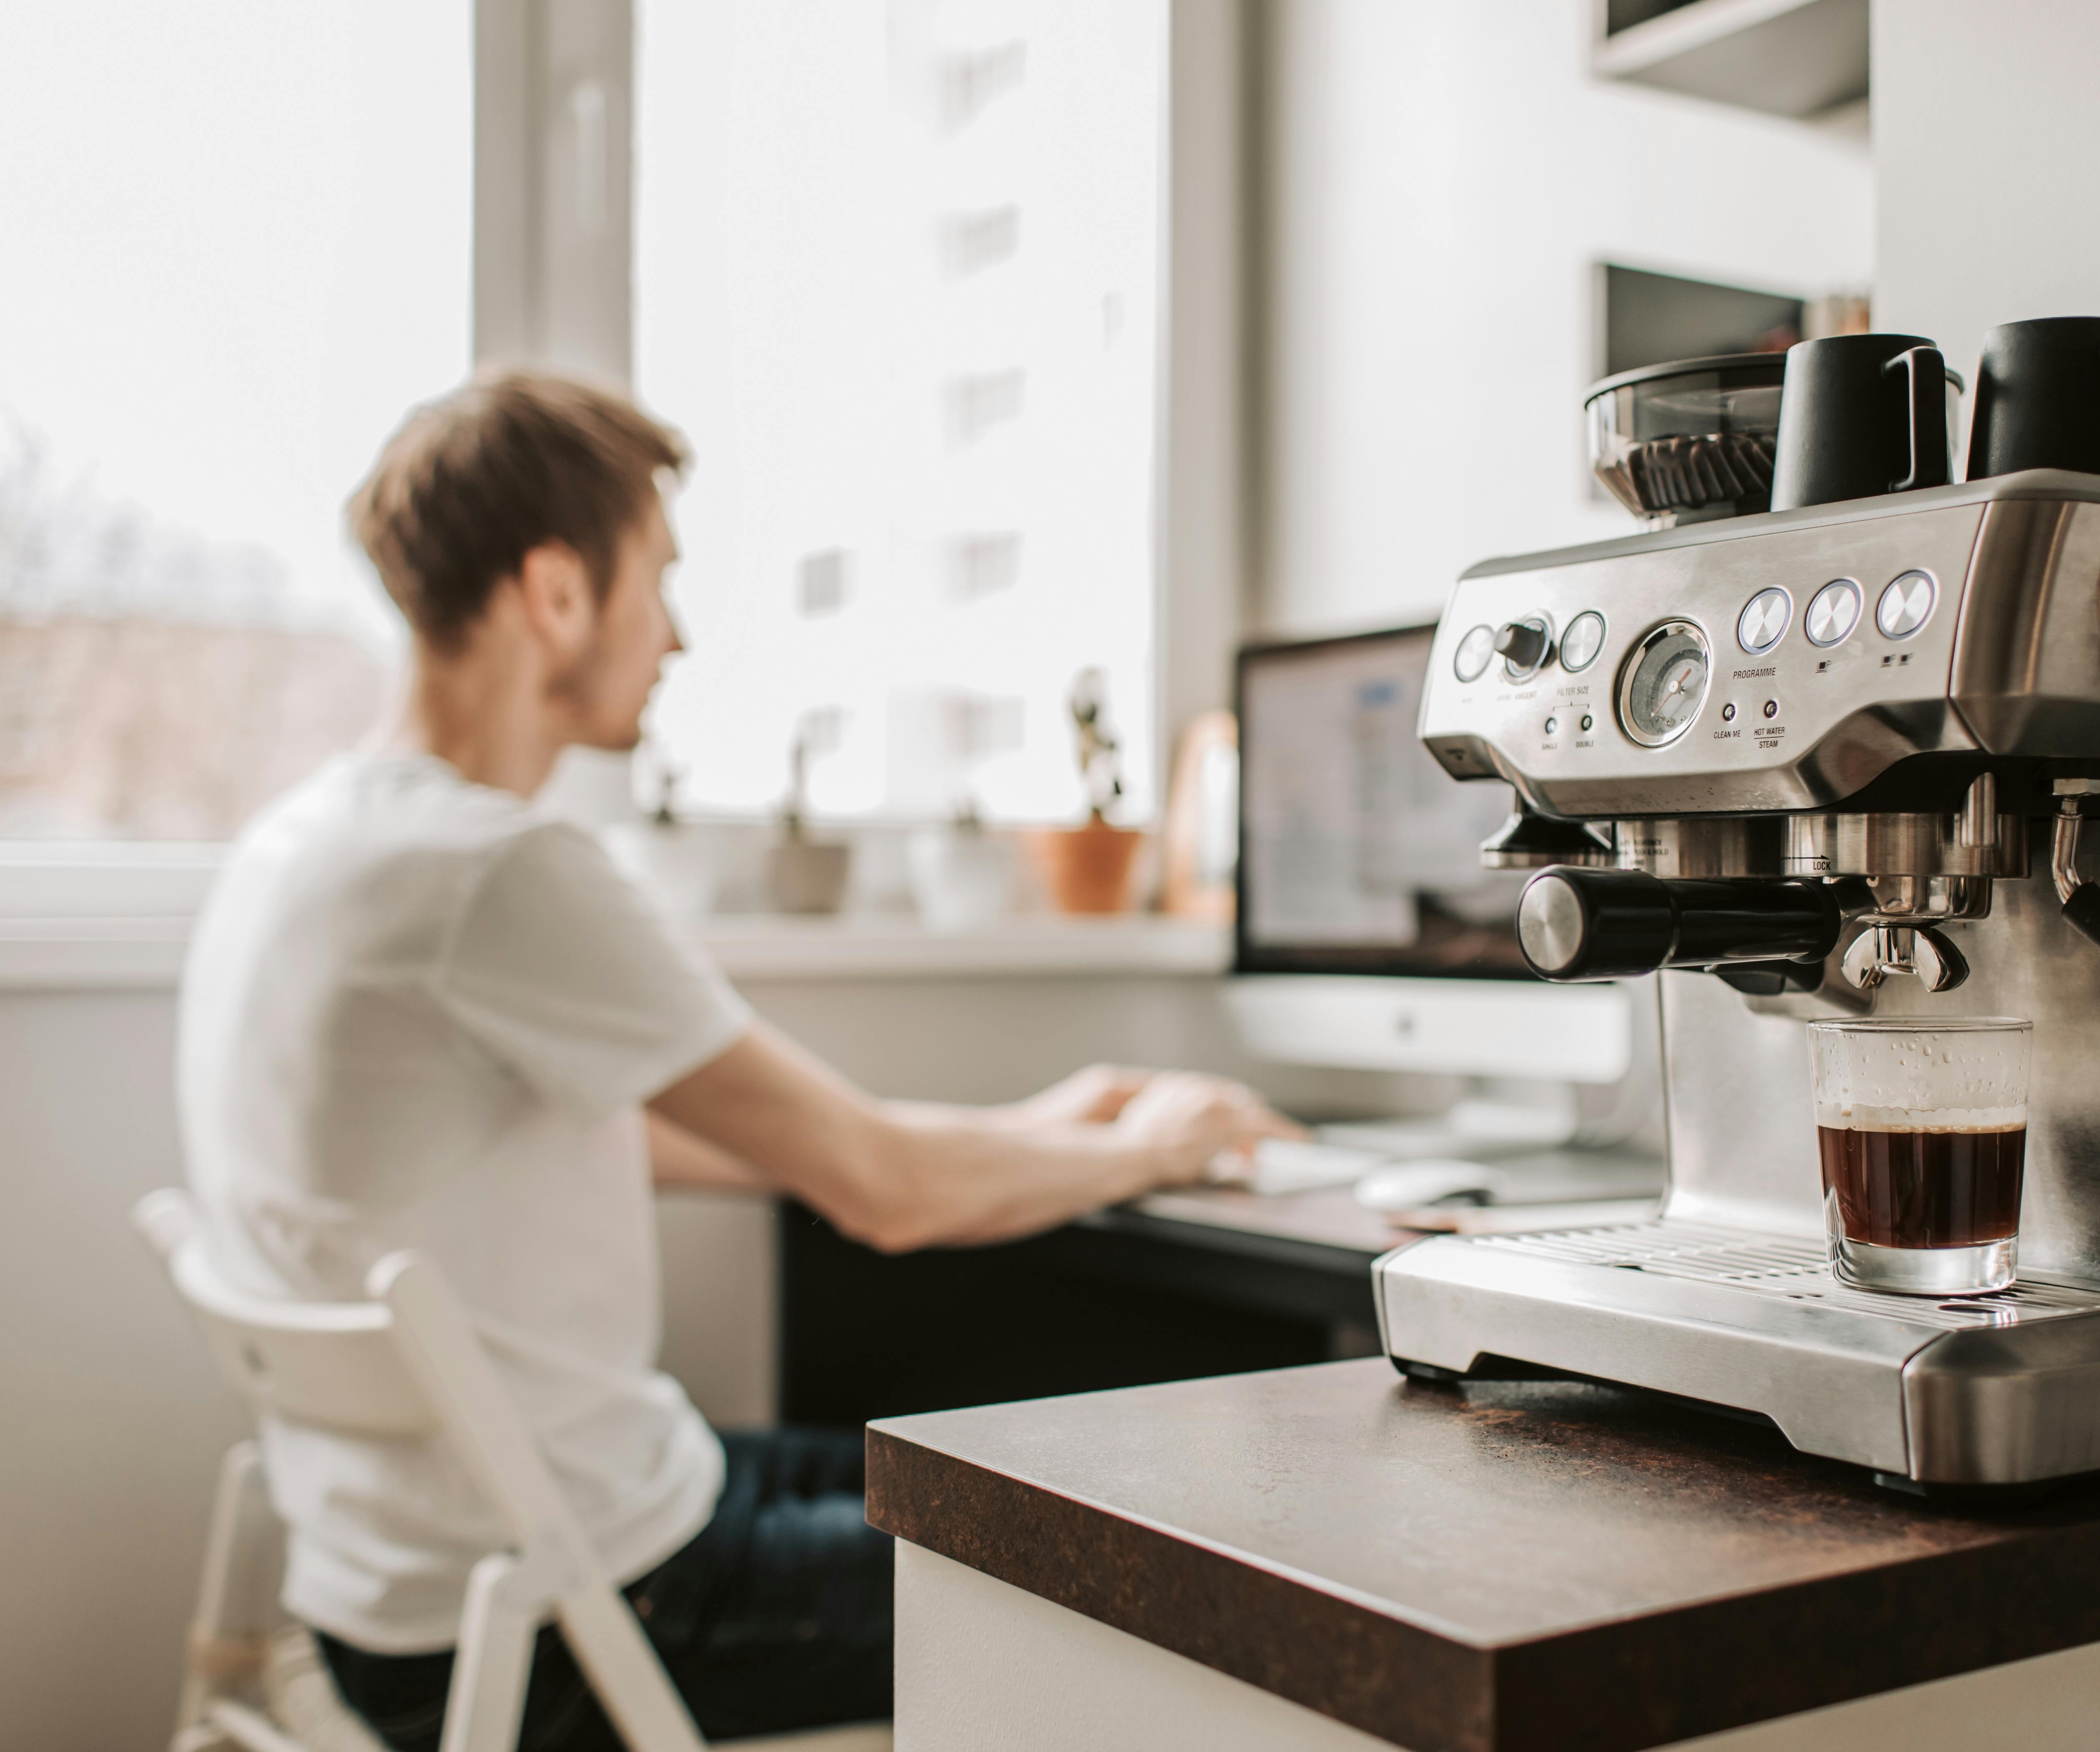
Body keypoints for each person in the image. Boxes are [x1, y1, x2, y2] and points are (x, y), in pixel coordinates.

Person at [175, 370, 1297, 1750]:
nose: (680, 636)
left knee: (994, 1478)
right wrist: (1157, 1147)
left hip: (411, 1590)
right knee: (1148, 1583)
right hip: (580, 1615)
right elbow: (884, 1191)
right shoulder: (497, 870)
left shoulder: (309, 847)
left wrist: (1037, 1123)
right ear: (556, 593)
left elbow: (677, 1138)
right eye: (659, 579)